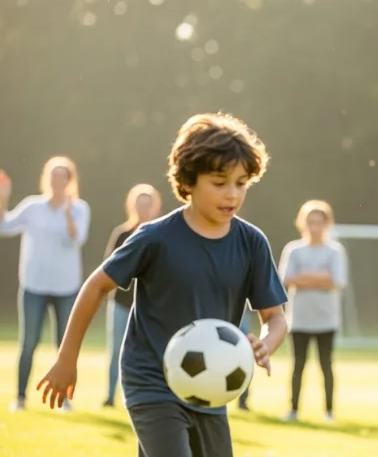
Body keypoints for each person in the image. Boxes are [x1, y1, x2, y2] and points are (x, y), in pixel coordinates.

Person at [35, 112, 289, 457]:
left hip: (211, 387)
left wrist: (265, 344)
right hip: (151, 381)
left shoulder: (252, 243)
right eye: (219, 182)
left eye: (241, 183)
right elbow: (96, 286)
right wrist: (67, 359)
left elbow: (275, 316)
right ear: (188, 180)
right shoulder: (155, 238)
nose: (232, 194)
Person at [0, 157, 91, 413]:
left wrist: (67, 213)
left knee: (64, 346)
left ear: (69, 181)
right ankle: (19, 398)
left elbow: (77, 239)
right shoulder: (32, 207)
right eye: (53, 175)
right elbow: (4, 226)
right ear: (46, 178)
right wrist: (3, 197)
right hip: (34, 286)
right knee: (28, 342)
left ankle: (64, 399)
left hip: (66, 288)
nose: (57, 181)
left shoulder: (79, 209)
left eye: (62, 176)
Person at [278, 200, 348, 423]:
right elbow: (287, 279)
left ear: (327, 224)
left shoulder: (335, 251)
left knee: (326, 365)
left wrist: (305, 278)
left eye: (319, 222)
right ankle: (294, 409)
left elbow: (336, 281)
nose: (315, 226)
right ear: (303, 223)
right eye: (310, 222)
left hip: (326, 319)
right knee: (298, 365)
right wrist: (320, 277)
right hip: (298, 318)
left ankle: (328, 411)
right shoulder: (293, 249)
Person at [102, 183, 162, 408]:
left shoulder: (161, 236)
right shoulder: (122, 234)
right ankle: (110, 396)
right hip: (120, 303)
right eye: (139, 203)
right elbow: (108, 269)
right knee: (116, 350)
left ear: (155, 207)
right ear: (132, 206)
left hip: (151, 306)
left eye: (148, 204)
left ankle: (147, 398)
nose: (143, 208)